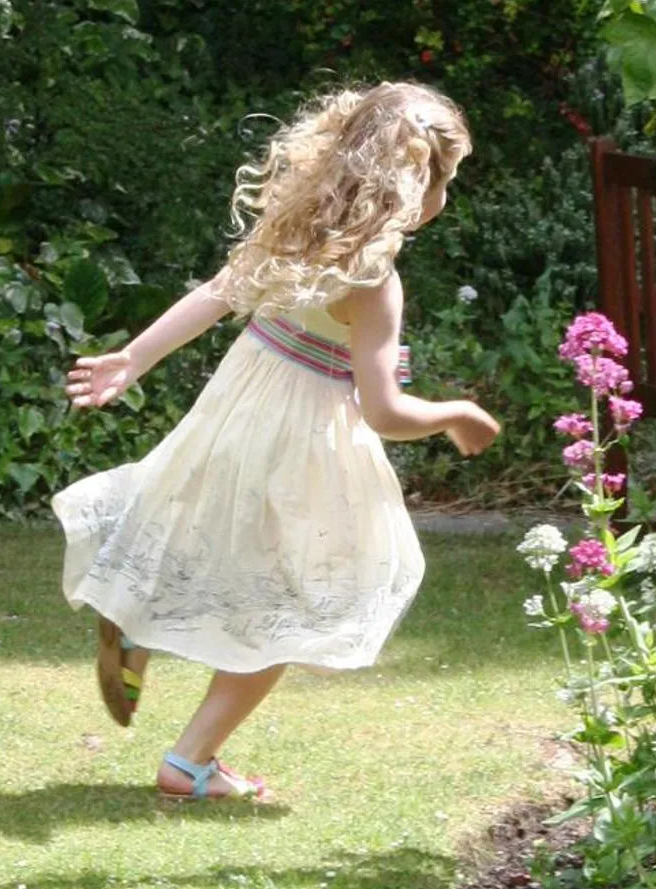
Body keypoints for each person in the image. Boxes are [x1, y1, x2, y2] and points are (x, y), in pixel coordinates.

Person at [55, 83, 501, 803]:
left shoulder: (292, 227)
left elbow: (216, 294)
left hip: (237, 413)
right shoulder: (373, 281)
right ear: (419, 184)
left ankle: (134, 623)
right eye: (446, 179)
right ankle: (190, 760)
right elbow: (384, 412)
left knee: (220, 550)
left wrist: (132, 358)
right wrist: (452, 413)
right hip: (306, 443)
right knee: (293, 605)